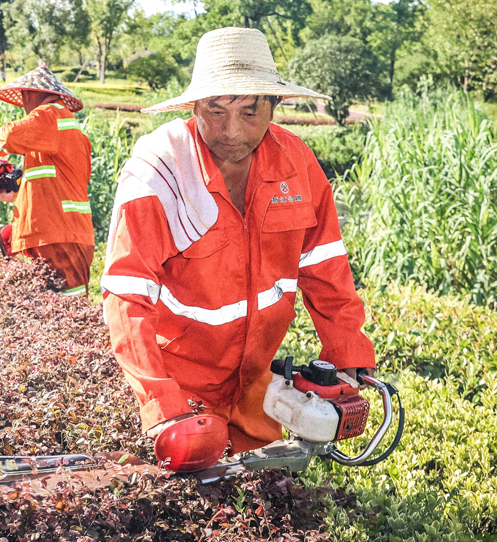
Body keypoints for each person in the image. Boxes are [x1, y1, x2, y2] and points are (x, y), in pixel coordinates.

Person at [101, 27, 376, 471]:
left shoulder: (297, 164)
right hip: (180, 385)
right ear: (194, 106)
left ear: (275, 105)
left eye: (249, 111)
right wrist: (160, 404)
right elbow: (126, 296)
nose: (231, 130)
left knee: (264, 503)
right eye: (216, 109)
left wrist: (350, 357)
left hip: (257, 388)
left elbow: (326, 267)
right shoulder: (158, 172)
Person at [0, 65, 94, 297]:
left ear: (34, 93)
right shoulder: (54, 134)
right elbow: (53, 186)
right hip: (57, 234)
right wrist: (13, 195)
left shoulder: (51, 115)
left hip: (61, 237)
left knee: (69, 313)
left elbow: (10, 135)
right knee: (54, 313)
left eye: (25, 95)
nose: (24, 102)